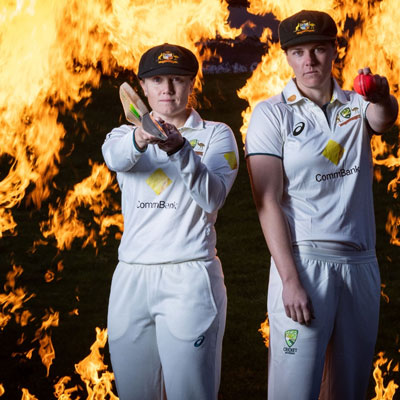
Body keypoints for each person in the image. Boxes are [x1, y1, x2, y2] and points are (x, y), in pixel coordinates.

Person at [245, 10, 399, 400]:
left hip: (361, 264)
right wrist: (290, 279)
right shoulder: (270, 114)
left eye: (318, 49)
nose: (309, 61)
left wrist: (380, 95)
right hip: (305, 264)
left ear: (334, 51)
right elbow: (266, 202)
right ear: (287, 57)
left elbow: (383, 120)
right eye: (298, 53)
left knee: (347, 392)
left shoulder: (356, 104)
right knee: (293, 392)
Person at [102, 43, 239, 400]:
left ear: (192, 84)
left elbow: (213, 196)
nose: (167, 89)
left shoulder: (217, 135)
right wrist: (142, 136)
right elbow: (116, 157)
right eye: (157, 79)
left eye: (177, 79)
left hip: (189, 277)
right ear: (143, 88)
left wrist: (180, 150)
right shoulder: (122, 136)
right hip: (131, 277)